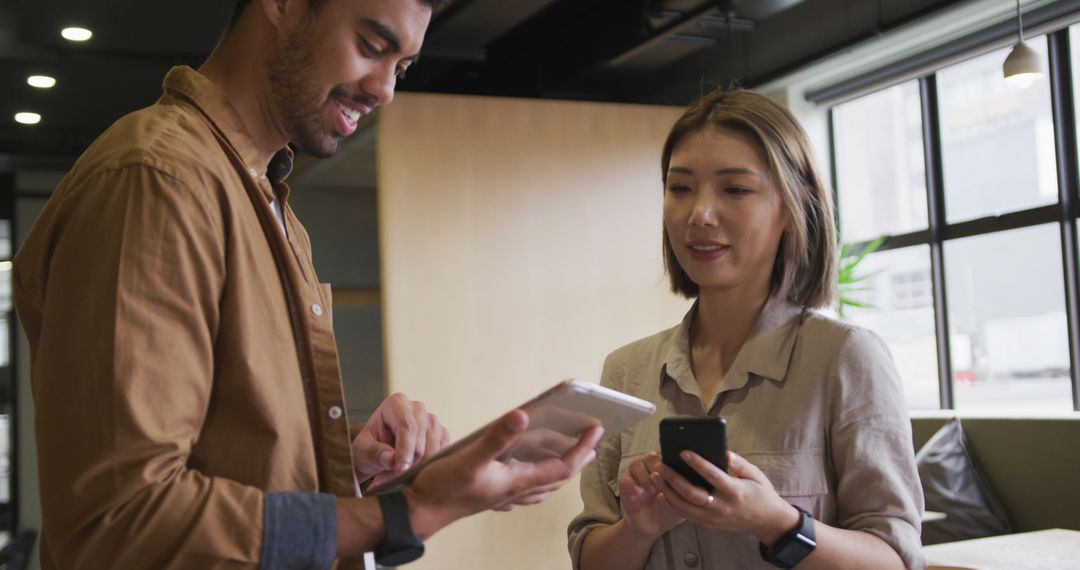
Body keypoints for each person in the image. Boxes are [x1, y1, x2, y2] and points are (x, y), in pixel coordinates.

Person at [13, 0, 602, 568]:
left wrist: (343, 459)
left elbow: (225, 453)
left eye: (402, 66)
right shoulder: (158, 181)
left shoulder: (271, 205)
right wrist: (410, 512)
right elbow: (121, 516)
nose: (385, 89)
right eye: (372, 46)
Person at [567, 90, 926, 570]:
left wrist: (777, 522)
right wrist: (639, 527)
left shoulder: (845, 358)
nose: (699, 215)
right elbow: (591, 560)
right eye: (680, 188)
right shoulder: (626, 370)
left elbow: (896, 562)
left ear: (790, 208)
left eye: (735, 190)